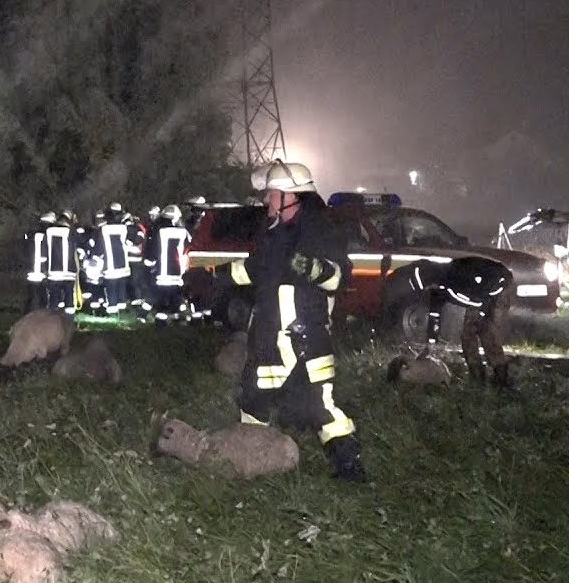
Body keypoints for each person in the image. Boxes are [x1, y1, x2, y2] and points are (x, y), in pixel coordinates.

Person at [215, 160, 366, 482]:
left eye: (272, 194)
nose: (266, 200)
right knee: (253, 398)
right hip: (269, 337)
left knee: (319, 407)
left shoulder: (319, 229)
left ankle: (349, 467)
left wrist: (313, 269)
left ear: (291, 196)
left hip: (306, 339)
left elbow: (338, 277)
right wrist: (216, 276)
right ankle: (252, 461)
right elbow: (255, 269)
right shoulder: (273, 233)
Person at [403, 256, 513, 387]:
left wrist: (484, 315)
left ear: (433, 281)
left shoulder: (457, 279)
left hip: (498, 283)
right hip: (479, 293)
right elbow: (434, 314)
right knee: (467, 334)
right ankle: (477, 374)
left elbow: (479, 299)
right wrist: (430, 343)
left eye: (428, 288)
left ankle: (501, 377)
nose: (428, 292)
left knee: (486, 331)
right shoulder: (439, 287)